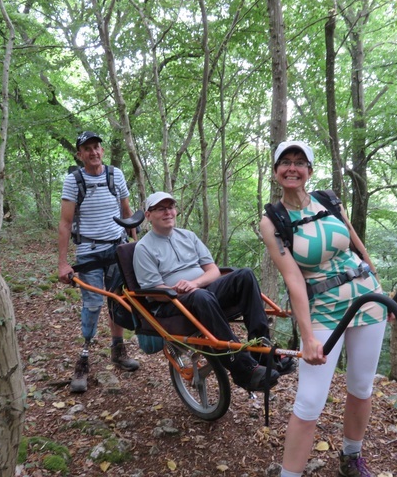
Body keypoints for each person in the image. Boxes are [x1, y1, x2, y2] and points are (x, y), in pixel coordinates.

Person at [260, 141, 388, 477]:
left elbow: (357, 245)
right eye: (285, 162)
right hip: (324, 310)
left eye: (300, 162)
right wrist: (307, 337)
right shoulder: (273, 219)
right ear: (276, 172)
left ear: (309, 171)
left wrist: (381, 292)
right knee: (309, 401)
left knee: (362, 387)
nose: (292, 168)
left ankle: (351, 456)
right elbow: (294, 281)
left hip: (367, 300)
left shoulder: (329, 200)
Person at [133, 191, 294, 392]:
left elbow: (213, 271)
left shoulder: (188, 236)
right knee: (201, 295)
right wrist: (180, 290)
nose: (168, 212)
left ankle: (262, 351)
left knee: (244, 274)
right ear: (148, 215)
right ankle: (242, 367)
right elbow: (153, 291)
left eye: (170, 207)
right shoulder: (143, 248)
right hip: (171, 303)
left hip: (201, 291)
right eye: (160, 209)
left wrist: (195, 283)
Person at [58, 131, 140, 393]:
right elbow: (65, 222)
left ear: (102, 151)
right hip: (89, 252)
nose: (93, 152)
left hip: (117, 249)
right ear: (79, 154)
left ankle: (118, 350)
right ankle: (83, 359)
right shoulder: (74, 181)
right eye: (87, 149)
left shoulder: (116, 175)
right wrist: (63, 263)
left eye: (97, 147)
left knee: (118, 300)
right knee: (92, 304)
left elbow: (127, 213)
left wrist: (135, 247)